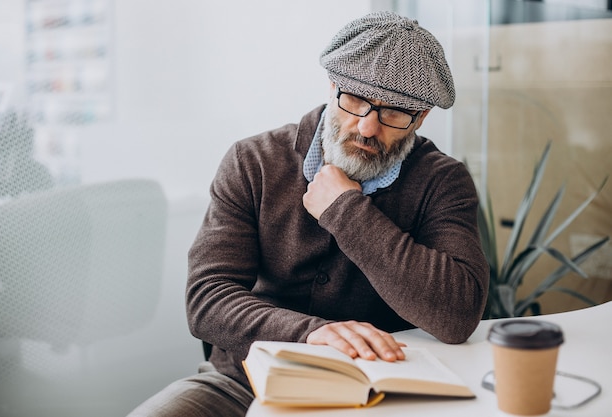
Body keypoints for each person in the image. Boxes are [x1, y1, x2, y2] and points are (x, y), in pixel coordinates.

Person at [128, 11, 489, 417]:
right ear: (332, 85)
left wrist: (346, 212)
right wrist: (313, 333)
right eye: (355, 100)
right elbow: (207, 299)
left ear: (420, 118)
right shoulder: (254, 161)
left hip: (378, 389)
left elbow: (458, 314)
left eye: (394, 113)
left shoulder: (443, 180)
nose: (368, 128)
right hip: (244, 382)